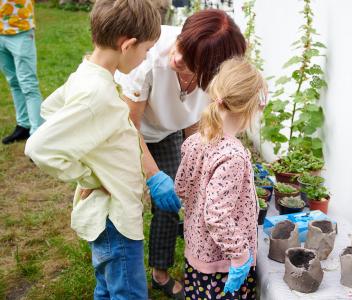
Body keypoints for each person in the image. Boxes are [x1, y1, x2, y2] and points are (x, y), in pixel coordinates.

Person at [25, 0, 180, 299]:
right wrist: (91, 177)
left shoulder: (92, 74)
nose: (146, 58)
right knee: (129, 293)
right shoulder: (96, 92)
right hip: (116, 219)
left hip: (113, 216)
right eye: (146, 50)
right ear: (128, 44)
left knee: (108, 289)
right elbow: (39, 147)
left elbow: (53, 108)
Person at [115, 9, 246, 299]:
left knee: (175, 198)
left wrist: (199, 161)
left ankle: (160, 270)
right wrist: (153, 176)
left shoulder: (216, 76)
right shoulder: (146, 58)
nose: (177, 58)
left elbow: (194, 121)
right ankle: (135, 269)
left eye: (189, 62)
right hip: (132, 132)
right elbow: (129, 128)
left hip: (170, 130)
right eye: (181, 47)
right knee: (138, 202)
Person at [175, 57, 267, 299]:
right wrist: (240, 256)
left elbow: (181, 188)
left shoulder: (196, 140)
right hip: (223, 265)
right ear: (251, 108)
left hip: (197, 254)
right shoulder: (233, 155)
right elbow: (216, 215)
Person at [0, 0, 44, 144]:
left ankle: (37, 135)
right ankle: (23, 125)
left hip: (21, 30)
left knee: (28, 84)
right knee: (13, 81)